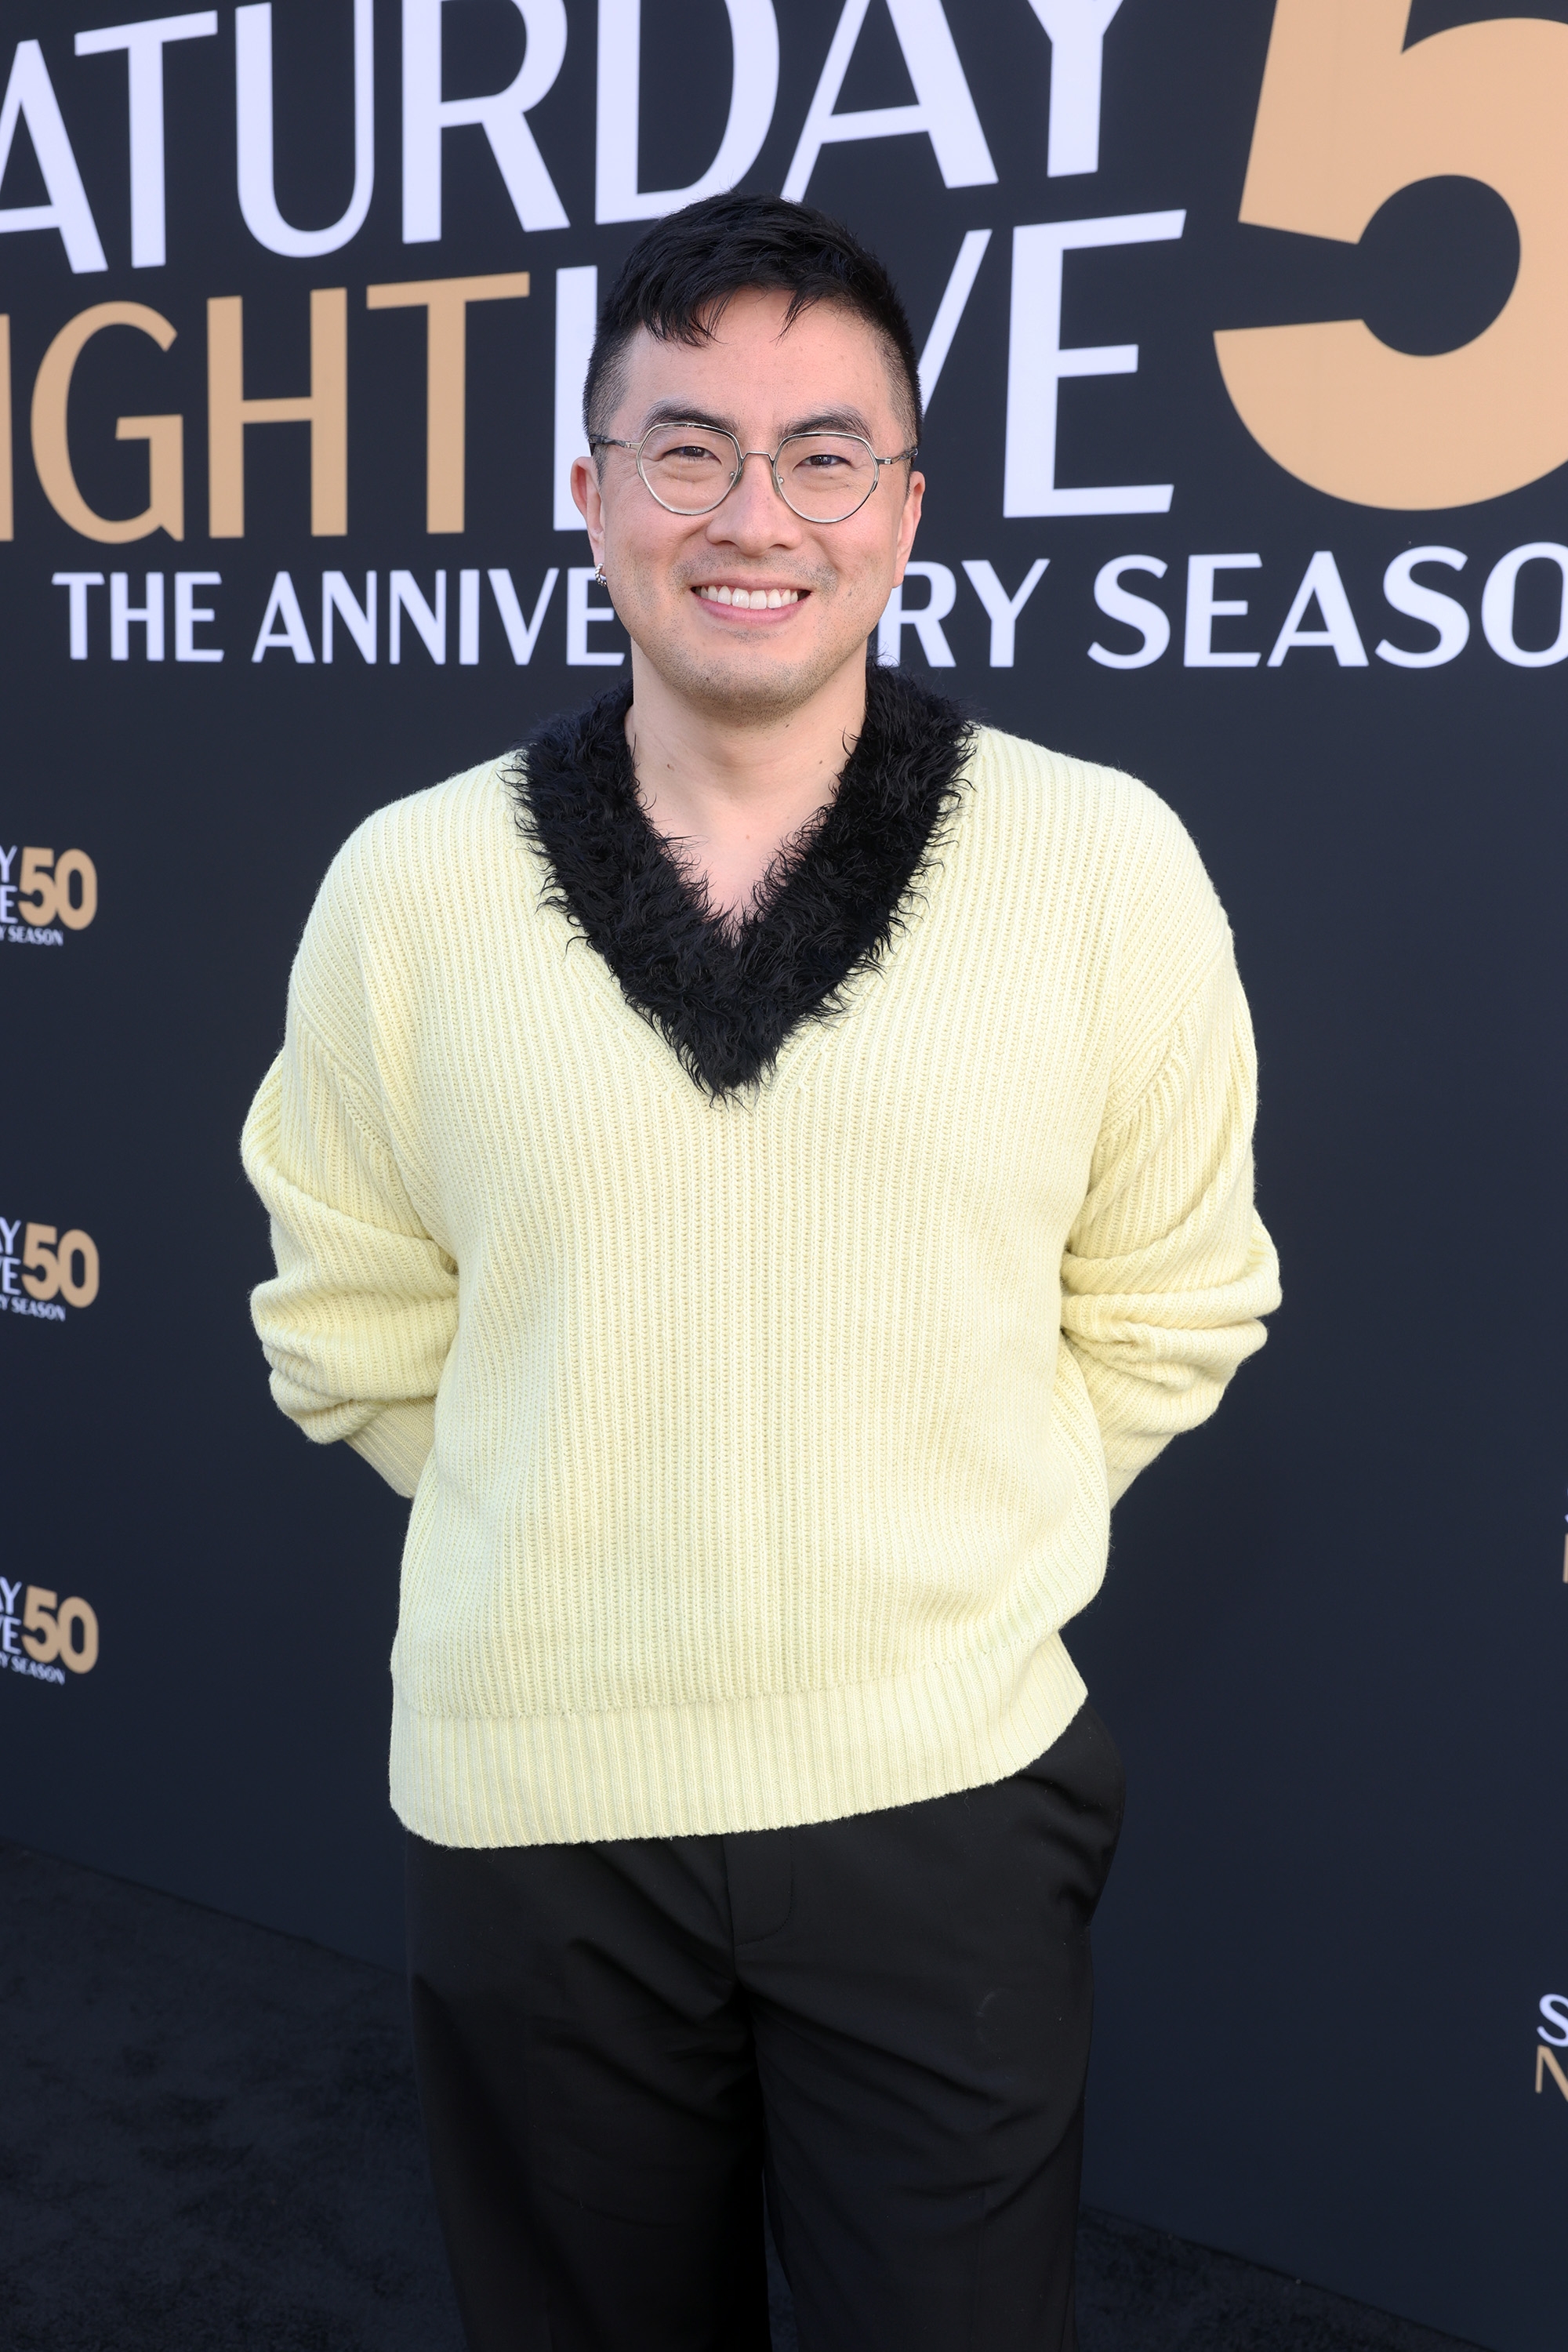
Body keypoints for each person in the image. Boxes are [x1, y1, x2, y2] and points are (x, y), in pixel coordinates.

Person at [241, 191, 1279, 2352]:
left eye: (826, 453)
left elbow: (1175, 1298)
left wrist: (924, 1540)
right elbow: (349, 1312)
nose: (756, 512)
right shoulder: (405, 891)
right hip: (537, 1809)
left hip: (951, 1799)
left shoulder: (1101, 866)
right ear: (591, 492)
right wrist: (585, 1522)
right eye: (689, 444)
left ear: (906, 506)